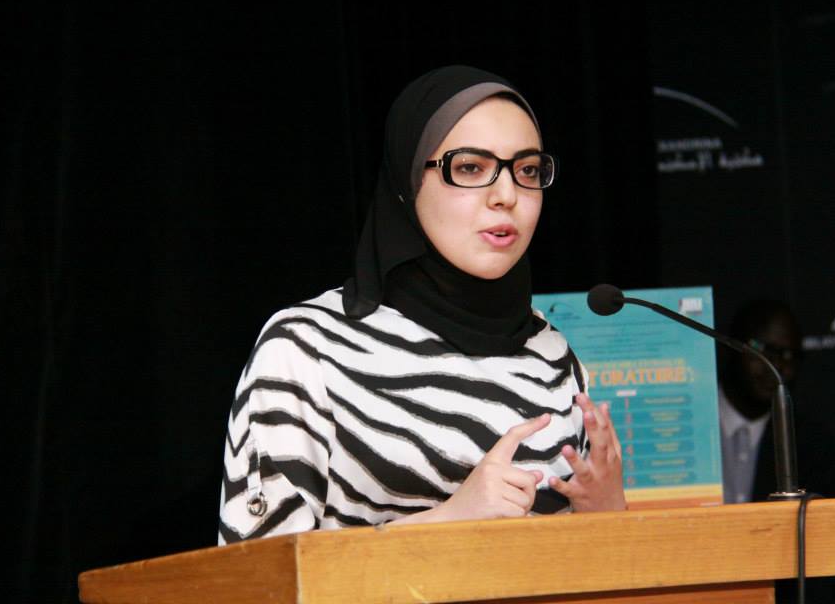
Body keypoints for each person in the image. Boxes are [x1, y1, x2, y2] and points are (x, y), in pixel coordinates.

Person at [218, 66, 627, 543]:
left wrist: (607, 514)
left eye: (528, 170)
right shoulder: (307, 347)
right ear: (408, 181)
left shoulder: (551, 356)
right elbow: (256, 569)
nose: (507, 195)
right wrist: (449, 520)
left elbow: (587, 565)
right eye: (470, 168)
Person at [717, 299, 835, 503]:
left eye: (788, 355)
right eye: (762, 350)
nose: (776, 365)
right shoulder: (685, 419)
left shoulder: (807, 441)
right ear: (732, 347)